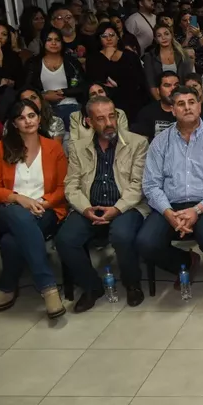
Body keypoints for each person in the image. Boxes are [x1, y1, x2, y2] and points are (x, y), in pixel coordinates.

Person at [55, 96, 148, 311]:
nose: (108, 123)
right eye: (101, 119)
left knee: (122, 235)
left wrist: (116, 209)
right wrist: (85, 208)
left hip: (126, 205)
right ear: (89, 122)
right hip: (90, 206)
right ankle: (92, 286)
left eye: (112, 116)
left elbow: (138, 185)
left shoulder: (137, 143)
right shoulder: (78, 147)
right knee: (65, 240)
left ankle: (132, 283)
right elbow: (71, 185)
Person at [138, 86, 203, 292]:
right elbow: (151, 184)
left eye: (192, 102)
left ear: (200, 106)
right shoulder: (160, 141)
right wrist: (168, 213)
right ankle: (185, 261)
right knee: (146, 243)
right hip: (170, 204)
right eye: (181, 104)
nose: (187, 108)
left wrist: (197, 210)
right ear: (173, 110)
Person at [0, 100, 68, 318]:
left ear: (39, 118)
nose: (27, 121)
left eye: (31, 115)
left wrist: (43, 203)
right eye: (21, 117)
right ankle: (48, 287)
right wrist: (19, 199)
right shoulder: (0, 148)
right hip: (6, 208)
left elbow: (62, 187)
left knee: (12, 240)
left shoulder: (53, 148)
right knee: (18, 215)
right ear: (14, 123)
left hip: (44, 209)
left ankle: (7, 286)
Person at [23, 25, 87, 130]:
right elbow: (25, 88)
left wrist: (63, 92)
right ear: (42, 42)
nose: (54, 43)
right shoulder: (33, 63)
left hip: (70, 104)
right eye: (49, 40)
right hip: (43, 106)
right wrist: (43, 96)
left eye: (57, 40)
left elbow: (83, 86)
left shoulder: (71, 62)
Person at [89, 21, 147, 121]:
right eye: (104, 36)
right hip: (106, 101)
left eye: (112, 35)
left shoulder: (130, 55)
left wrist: (118, 85)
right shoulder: (93, 58)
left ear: (118, 37)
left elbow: (138, 80)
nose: (109, 38)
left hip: (132, 99)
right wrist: (107, 58)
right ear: (99, 39)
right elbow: (97, 81)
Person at [132, 71, 179, 141]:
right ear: (158, 91)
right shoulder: (147, 113)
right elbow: (141, 143)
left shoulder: (186, 110)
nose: (173, 89)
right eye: (167, 85)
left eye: (176, 85)